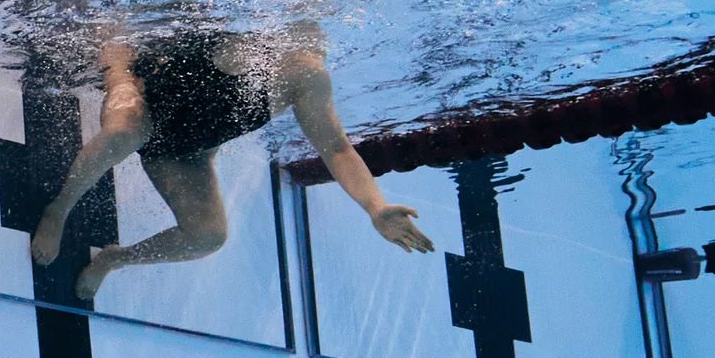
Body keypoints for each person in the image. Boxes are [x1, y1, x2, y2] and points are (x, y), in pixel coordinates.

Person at [31, 25, 434, 300]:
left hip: (185, 151)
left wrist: (375, 207)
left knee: (207, 236)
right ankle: (59, 208)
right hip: (144, 100)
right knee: (122, 132)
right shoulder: (236, 30)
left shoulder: (308, 79)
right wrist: (119, 64)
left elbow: (338, 150)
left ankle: (115, 258)